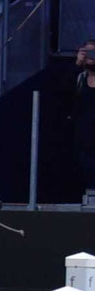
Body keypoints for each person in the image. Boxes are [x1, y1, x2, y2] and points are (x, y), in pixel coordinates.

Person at [73, 38, 95, 191]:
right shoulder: (80, 78)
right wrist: (77, 65)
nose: (91, 56)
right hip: (85, 137)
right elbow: (63, 96)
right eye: (87, 52)